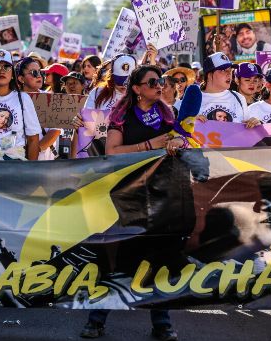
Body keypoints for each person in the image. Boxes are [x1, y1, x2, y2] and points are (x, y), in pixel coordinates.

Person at [80, 65, 186, 341]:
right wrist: (150, 145)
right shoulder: (122, 116)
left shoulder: (167, 113)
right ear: (137, 89)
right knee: (121, 258)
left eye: (161, 81)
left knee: (159, 258)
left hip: (162, 194)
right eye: (152, 82)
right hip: (129, 195)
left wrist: (179, 142)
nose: (159, 85)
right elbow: (112, 151)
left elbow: (181, 139)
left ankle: (161, 323)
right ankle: (96, 319)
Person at [195, 51, 260, 128]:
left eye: (230, 70)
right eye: (223, 70)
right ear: (209, 75)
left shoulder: (239, 98)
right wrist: (191, 121)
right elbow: (184, 129)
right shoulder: (194, 99)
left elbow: (246, 130)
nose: (229, 74)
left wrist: (254, 124)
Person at [15, 56, 61, 160]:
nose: (39, 76)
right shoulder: (13, 99)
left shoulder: (50, 98)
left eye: (40, 72)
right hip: (16, 159)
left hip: (43, 161)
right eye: (34, 73)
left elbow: (55, 131)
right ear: (21, 79)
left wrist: (33, 152)